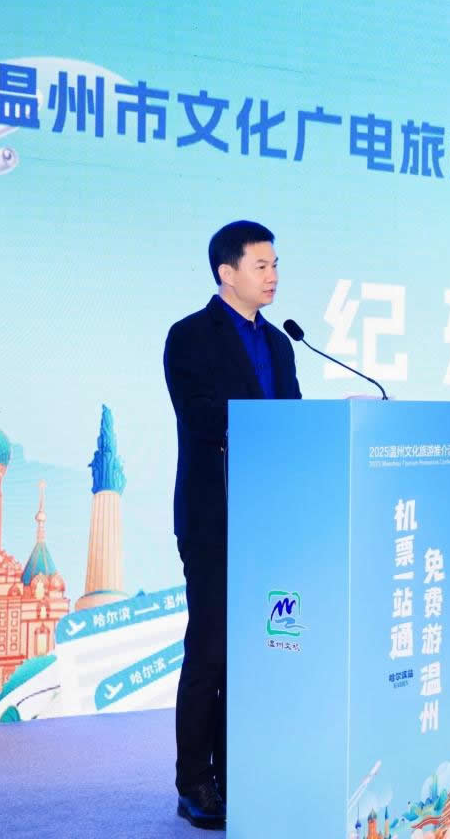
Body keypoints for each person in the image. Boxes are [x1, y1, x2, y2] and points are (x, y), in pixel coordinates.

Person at [162, 220, 302, 829]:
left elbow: (294, 423)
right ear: (227, 272)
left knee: (255, 655)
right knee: (211, 651)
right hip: (214, 517)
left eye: (275, 265)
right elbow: (199, 416)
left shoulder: (280, 344)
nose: (273, 276)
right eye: (261, 265)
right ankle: (195, 781)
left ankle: (237, 770)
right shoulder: (189, 336)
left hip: (269, 520)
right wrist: (265, 420)